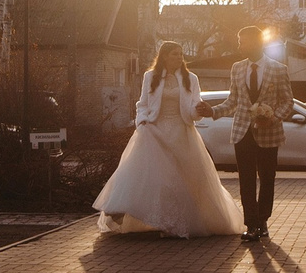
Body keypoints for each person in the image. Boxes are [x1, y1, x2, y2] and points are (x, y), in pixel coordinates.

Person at [93, 42, 246, 237]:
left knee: (185, 178)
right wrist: (142, 122)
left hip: (182, 132)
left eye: (181, 54)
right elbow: (142, 104)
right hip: (154, 131)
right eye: (175, 54)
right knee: (152, 177)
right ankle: (143, 216)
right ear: (164, 56)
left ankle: (176, 223)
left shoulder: (191, 78)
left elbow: (192, 108)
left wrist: (198, 111)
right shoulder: (151, 77)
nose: (179, 58)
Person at [230, 25, 294, 241]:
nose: (239, 46)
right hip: (243, 132)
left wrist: (273, 117)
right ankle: (251, 225)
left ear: (256, 43)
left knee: (267, 178)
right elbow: (232, 101)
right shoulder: (237, 68)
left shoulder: (278, 68)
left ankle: (263, 220)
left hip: (269, 133)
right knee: (246, 180)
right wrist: (211, 111)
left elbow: (288, 101)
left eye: (242, 42)